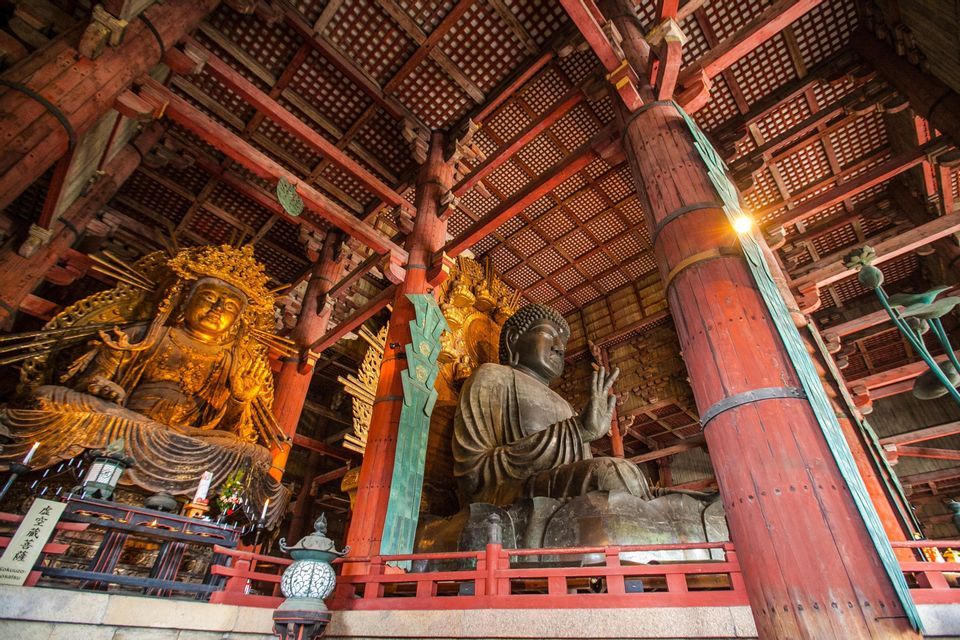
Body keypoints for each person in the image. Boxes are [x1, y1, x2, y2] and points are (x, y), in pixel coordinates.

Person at [452, 303, 652, 507]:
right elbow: (472, 475)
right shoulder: (492, 377)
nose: (559, 347)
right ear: (513, 338)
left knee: (634, 478)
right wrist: (577, 430)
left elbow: (582, 469)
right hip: (511, 493)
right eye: (548, 334)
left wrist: (580, 432)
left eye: (563, 343)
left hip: (560, 490)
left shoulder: (566, 406)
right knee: (612, 475)